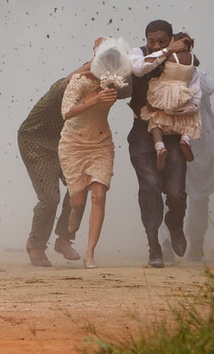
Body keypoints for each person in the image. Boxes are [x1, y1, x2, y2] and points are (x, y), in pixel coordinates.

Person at [127, 20, 200, 268]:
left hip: (173, 133)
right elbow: (137, 70)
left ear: (171, 39)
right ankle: (153, 246)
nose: (154, 45)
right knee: (149, 187)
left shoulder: (183, 59)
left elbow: (195, 92)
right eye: (151, 40)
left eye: (161, 41)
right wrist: (165, 51)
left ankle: (175, 223)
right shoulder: (139, 54)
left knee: (177, 192)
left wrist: (177, 110)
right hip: (142, 133)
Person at [58, 37, 131, 269]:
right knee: (77, 200)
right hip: (73, 144)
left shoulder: (117, 81)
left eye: (114, 60)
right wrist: (96, 99)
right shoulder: (80, 81)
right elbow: (67, 112)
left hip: (101, 143)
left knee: (99, 195)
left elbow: (143, 70)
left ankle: (90, 253)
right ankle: (71, 223)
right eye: (105, 60)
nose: (110, 65)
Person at [19, 59, 96, 266]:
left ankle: (64, 238)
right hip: (35, 141)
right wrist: (92, 65)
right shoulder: (64, 86)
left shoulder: (99, 89)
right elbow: (65, 84)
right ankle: (35, 245)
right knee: (50, 198)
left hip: (65, 140)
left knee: (79, 187)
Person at [161, 69, 214, 262]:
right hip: (171, 141)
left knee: (199, 199)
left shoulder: (197, 75)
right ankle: (166, 242)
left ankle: (197, 243)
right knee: (169, 195)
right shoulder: (162, 73)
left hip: (200, 146)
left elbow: (210, 87)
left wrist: (189, 67)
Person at [139, 32, 201, 172]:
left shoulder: (170, 56)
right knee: (189, 118)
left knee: (154, 117)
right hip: (182, 91)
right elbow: (196, 64)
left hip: (165, 90)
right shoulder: (192, 58)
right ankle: (185, 139)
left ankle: (160, 147)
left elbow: (159, 67)